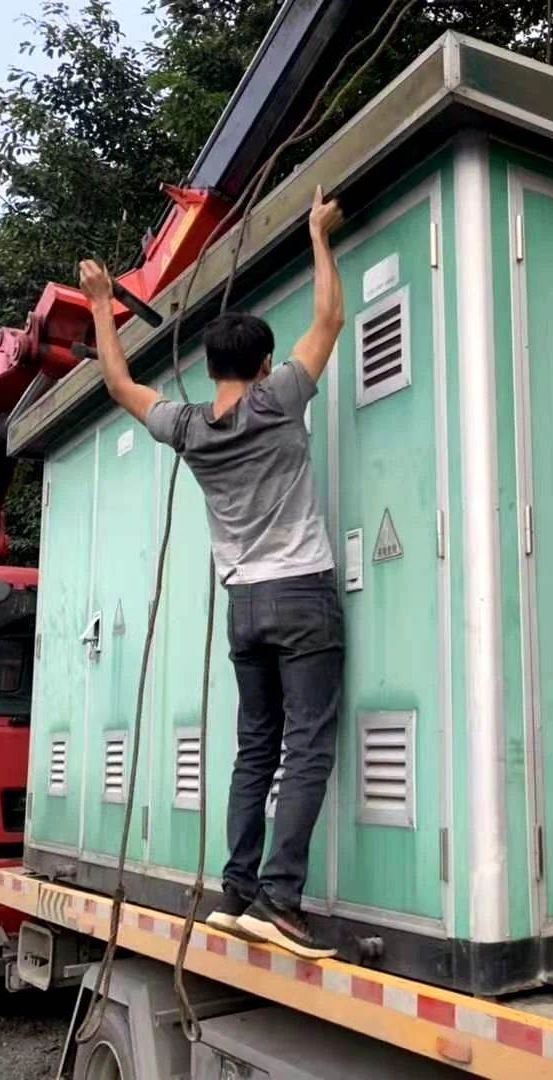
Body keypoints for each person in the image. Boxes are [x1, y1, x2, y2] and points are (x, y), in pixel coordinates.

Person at [79, 185, 346, 960]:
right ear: (264, 365)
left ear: (211, 366)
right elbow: (328, 319)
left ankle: (237, 890)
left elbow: (123, 386)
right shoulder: (278, 403)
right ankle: (280, 901)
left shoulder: (190, 429)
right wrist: (318, 236)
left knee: (256, 746)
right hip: (301, 596)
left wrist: (102, 304)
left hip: (244, 607)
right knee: (308, 746)